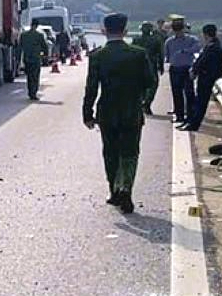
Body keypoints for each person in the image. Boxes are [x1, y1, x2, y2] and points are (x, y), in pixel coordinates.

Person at [83, 13, 157, 214]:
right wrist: (142, 98)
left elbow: (91, 88)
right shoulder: (138, 54)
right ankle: (126, 188)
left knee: (110, 152)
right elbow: (150, 81)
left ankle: (114, 190)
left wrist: (87, 114)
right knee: (130, 152)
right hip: (132, 110)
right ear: (125, 31)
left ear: (103, 31)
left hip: (107, 111)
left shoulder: (97, 56)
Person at [180, 24, 222, 132]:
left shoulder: (214, 48)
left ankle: (194, 125)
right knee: (198, 101)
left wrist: (195, 70)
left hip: (207, 78)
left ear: (206, 34)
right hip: (204, 77)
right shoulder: (211, 46)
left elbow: (205, 62)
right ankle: (191, 122)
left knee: (201, 102)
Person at [164, 17, 201, 124]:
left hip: (185, 69)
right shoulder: (170, 41)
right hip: (176, 69)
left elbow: (197, 48)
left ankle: (189, 116)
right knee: (177, 93)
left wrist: (184, 51)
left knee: (188, 93)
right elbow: (167, 55)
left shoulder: (191, 39)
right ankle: (181, 116)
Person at [132, 21, 165, 114]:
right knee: (153, 86)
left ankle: (141, 103)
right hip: (151, 65)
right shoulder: (156, 40)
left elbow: (131, 53)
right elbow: (161, 54)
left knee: (140, 86)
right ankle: (146, 104)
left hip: (138, 65)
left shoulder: (136, 39)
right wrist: (161, 66)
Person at [19, 20, 48, 100]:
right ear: (37, 26)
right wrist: (45, 55)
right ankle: (33, 93)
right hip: (36, 59)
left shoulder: (23, 35)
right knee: (35, 77)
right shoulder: (39, 35)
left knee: (29, 77)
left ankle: (30, 92)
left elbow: (19, 47)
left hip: (27, 59)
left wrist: (19, 59)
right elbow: (44, 46)